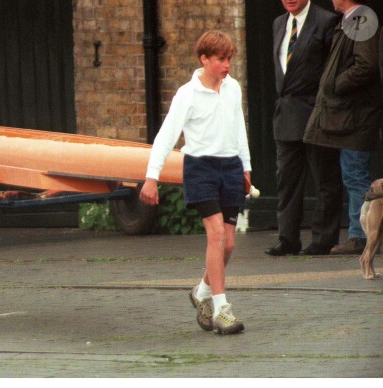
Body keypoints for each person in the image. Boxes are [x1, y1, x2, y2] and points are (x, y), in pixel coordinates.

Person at [139, 31, 251, 335]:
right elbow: (166, 136)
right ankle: (222, 310)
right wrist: (152, 177)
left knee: (228, 243)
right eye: (221, 59)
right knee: (215, 235)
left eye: (229, 59)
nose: (227, 65)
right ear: (204, 59)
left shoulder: (233, 88)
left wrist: (246, 166)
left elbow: (239, 127)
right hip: (200, 168)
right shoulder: (186, 95)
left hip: (230, 168)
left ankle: (201, 291)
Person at [265, 0, 343, 256]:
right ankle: (287, 238)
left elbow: (333, 69)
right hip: (285, 115)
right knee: (286, 180)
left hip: (316, 113)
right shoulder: (279, 23)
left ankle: (323, 239)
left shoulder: (326, 21)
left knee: (324, 179)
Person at [304, 0, 382, 255]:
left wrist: (336, 84)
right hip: (348, 116)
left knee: (354, 174)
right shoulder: (351, 20)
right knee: (352, 173)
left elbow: (366, 65)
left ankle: (361, 236)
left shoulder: (362, 18)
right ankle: (362, 235)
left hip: (356, 117)